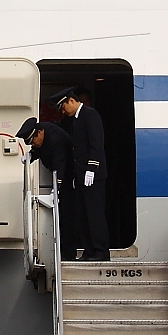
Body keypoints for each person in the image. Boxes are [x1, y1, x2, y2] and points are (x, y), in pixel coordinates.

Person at [51, 87, 110, 261]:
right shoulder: (76, 120)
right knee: (83, 215)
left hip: (93, 175)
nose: (63, 111)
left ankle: (101, 252)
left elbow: (96, 145)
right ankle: (89, 251)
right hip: (82, 175)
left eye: (63, 106)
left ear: (71, 100)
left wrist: (92, 168)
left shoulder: (90, 115)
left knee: (95, 215)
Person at [16, 117, 76, 259]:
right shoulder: (42, 135)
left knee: (68, 217)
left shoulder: (57, 139)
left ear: (39, 133)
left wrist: (57, 187)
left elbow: (59, 166)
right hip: (60, 176)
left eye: (33, 142)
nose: (34, 145)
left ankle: (69, 254)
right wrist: (31, 155)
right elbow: (39, 148)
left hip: (69, 177)